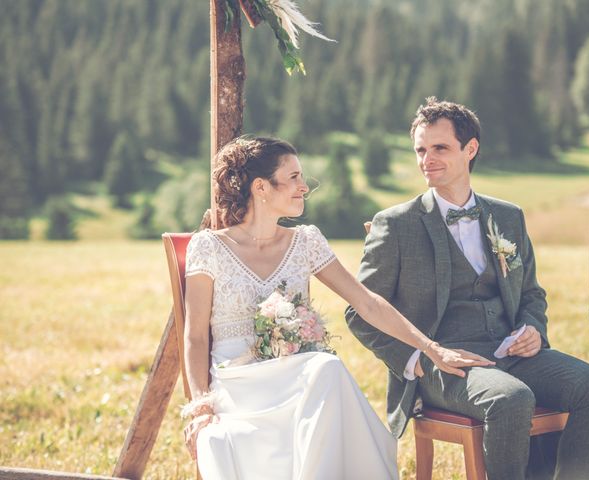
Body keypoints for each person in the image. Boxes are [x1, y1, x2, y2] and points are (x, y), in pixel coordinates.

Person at [346, 97, 589, 480]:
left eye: (440, 148)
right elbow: (360, 311)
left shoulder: (507, 215)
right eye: (421, 150)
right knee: (511, 398)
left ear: (470, 149)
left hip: (513, 352)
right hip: (444, 364)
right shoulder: (395, 224)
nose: (427, 159)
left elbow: (531, 293)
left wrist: (533, 331)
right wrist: (419, 359)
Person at [181, 135, 450, 480]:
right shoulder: (209, 247)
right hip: (237, 384)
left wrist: (429, 347)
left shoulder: (306, 241)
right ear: (261, 187)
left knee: (326, 368)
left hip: (296, 378)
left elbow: (366, 302)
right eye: (293, 178)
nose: (304, 187)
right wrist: (200, 407)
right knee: (324, 369)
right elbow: (195, 337)